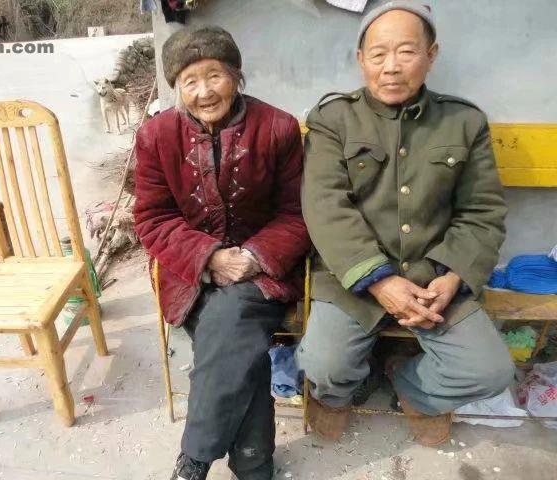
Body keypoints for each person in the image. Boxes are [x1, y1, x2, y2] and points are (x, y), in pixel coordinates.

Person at [298, 1, 515, 447]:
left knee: (491, 373)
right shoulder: (333, 120)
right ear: (361, 59)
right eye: (378, 54)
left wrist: (454, 276)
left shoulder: (463, 122)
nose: (391, 67)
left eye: (406, 52)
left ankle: (410, 385)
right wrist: (378, 281)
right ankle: (340, 394)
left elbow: (482, 210)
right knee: (324, 366)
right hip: (351, 277)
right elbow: (325, 208)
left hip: (432, 279)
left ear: (431, 55)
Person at [133, 26, 310, 480]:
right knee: (234, 336)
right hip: (189, 272)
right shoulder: (156, 136)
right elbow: (152, 218)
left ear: (236, 75)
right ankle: (253, 462)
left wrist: (252, 257)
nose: (204, 91)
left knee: (230, 321)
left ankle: (194, 460)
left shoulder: (278, 127)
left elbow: (297, 214)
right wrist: (209, 257)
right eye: (189, 81)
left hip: (262, 270)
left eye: (214, 75)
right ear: (177, 87)